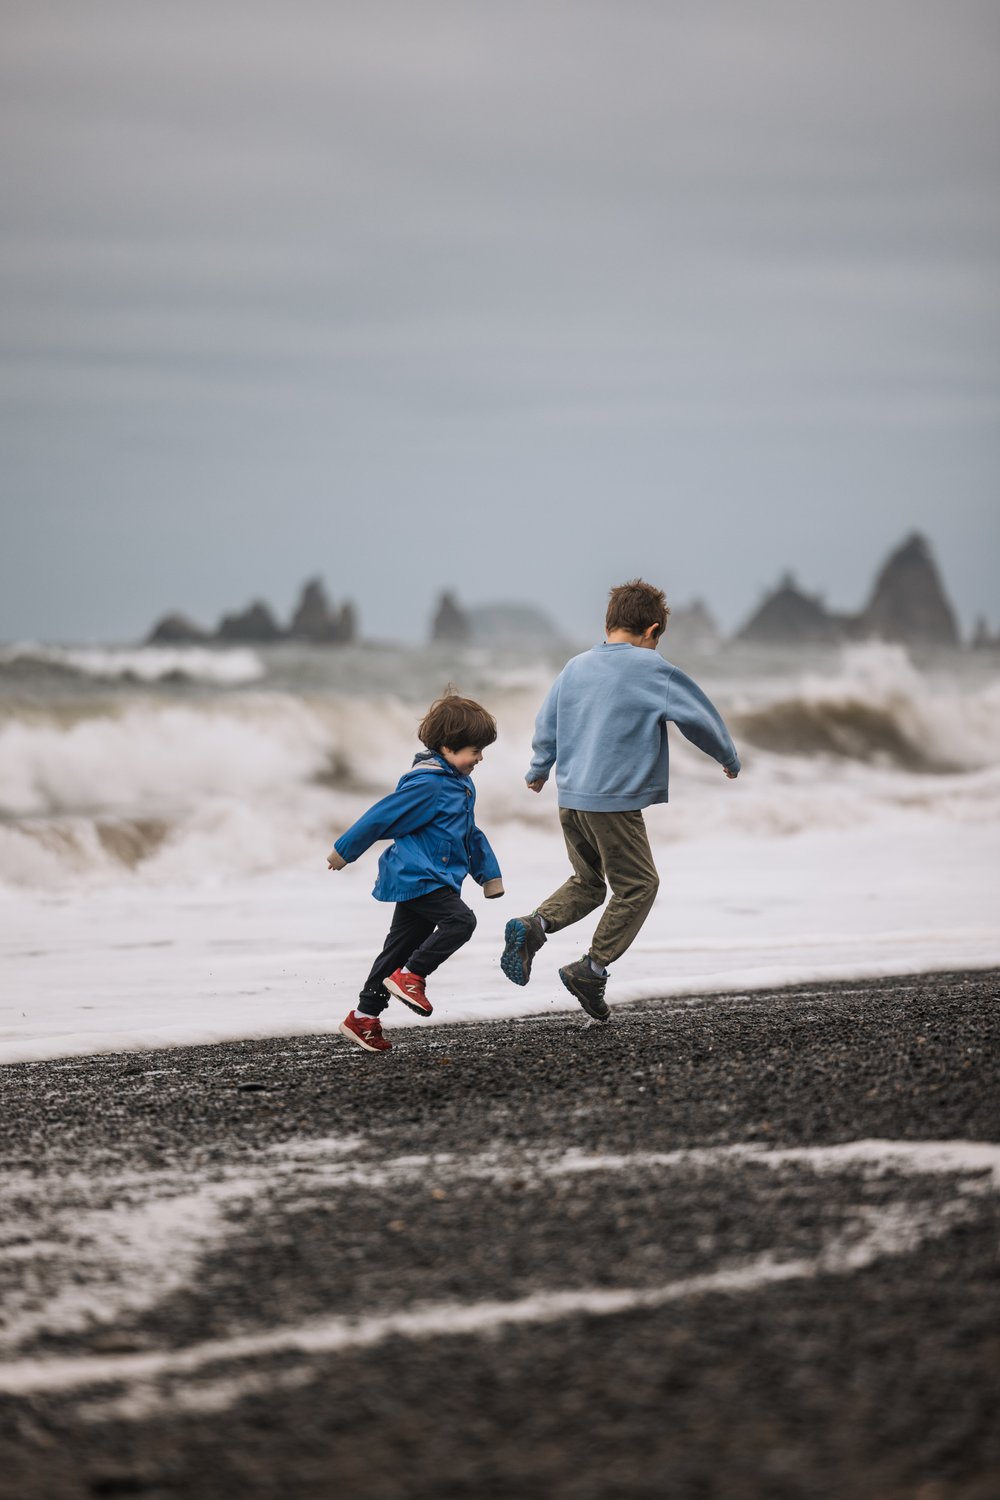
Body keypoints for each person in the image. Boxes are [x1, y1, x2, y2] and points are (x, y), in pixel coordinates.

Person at [500, 578, 739, 1022]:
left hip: (570, 798)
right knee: (640, 886)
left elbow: (547, 721)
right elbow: (698, 717)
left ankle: (534, 926)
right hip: (612, 802)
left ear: (608, 624)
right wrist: (726, 756)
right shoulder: (653, 669)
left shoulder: (574, 667)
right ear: (651, 631)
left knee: (589, 883)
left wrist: (538, 769)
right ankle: (591, 968)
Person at [328, 692, 503, 1052]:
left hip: (433, 877)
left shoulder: (460, 783)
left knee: (397, 949)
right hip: (418, 876)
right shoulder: (429, 784)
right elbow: (382, 815)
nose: (480, 758)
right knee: (461, 923)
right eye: (474, 750)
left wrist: (488, 875)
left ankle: (363, 1018)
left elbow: (469, 833)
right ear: (446, 747)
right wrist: (344, 851)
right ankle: (413, 976)